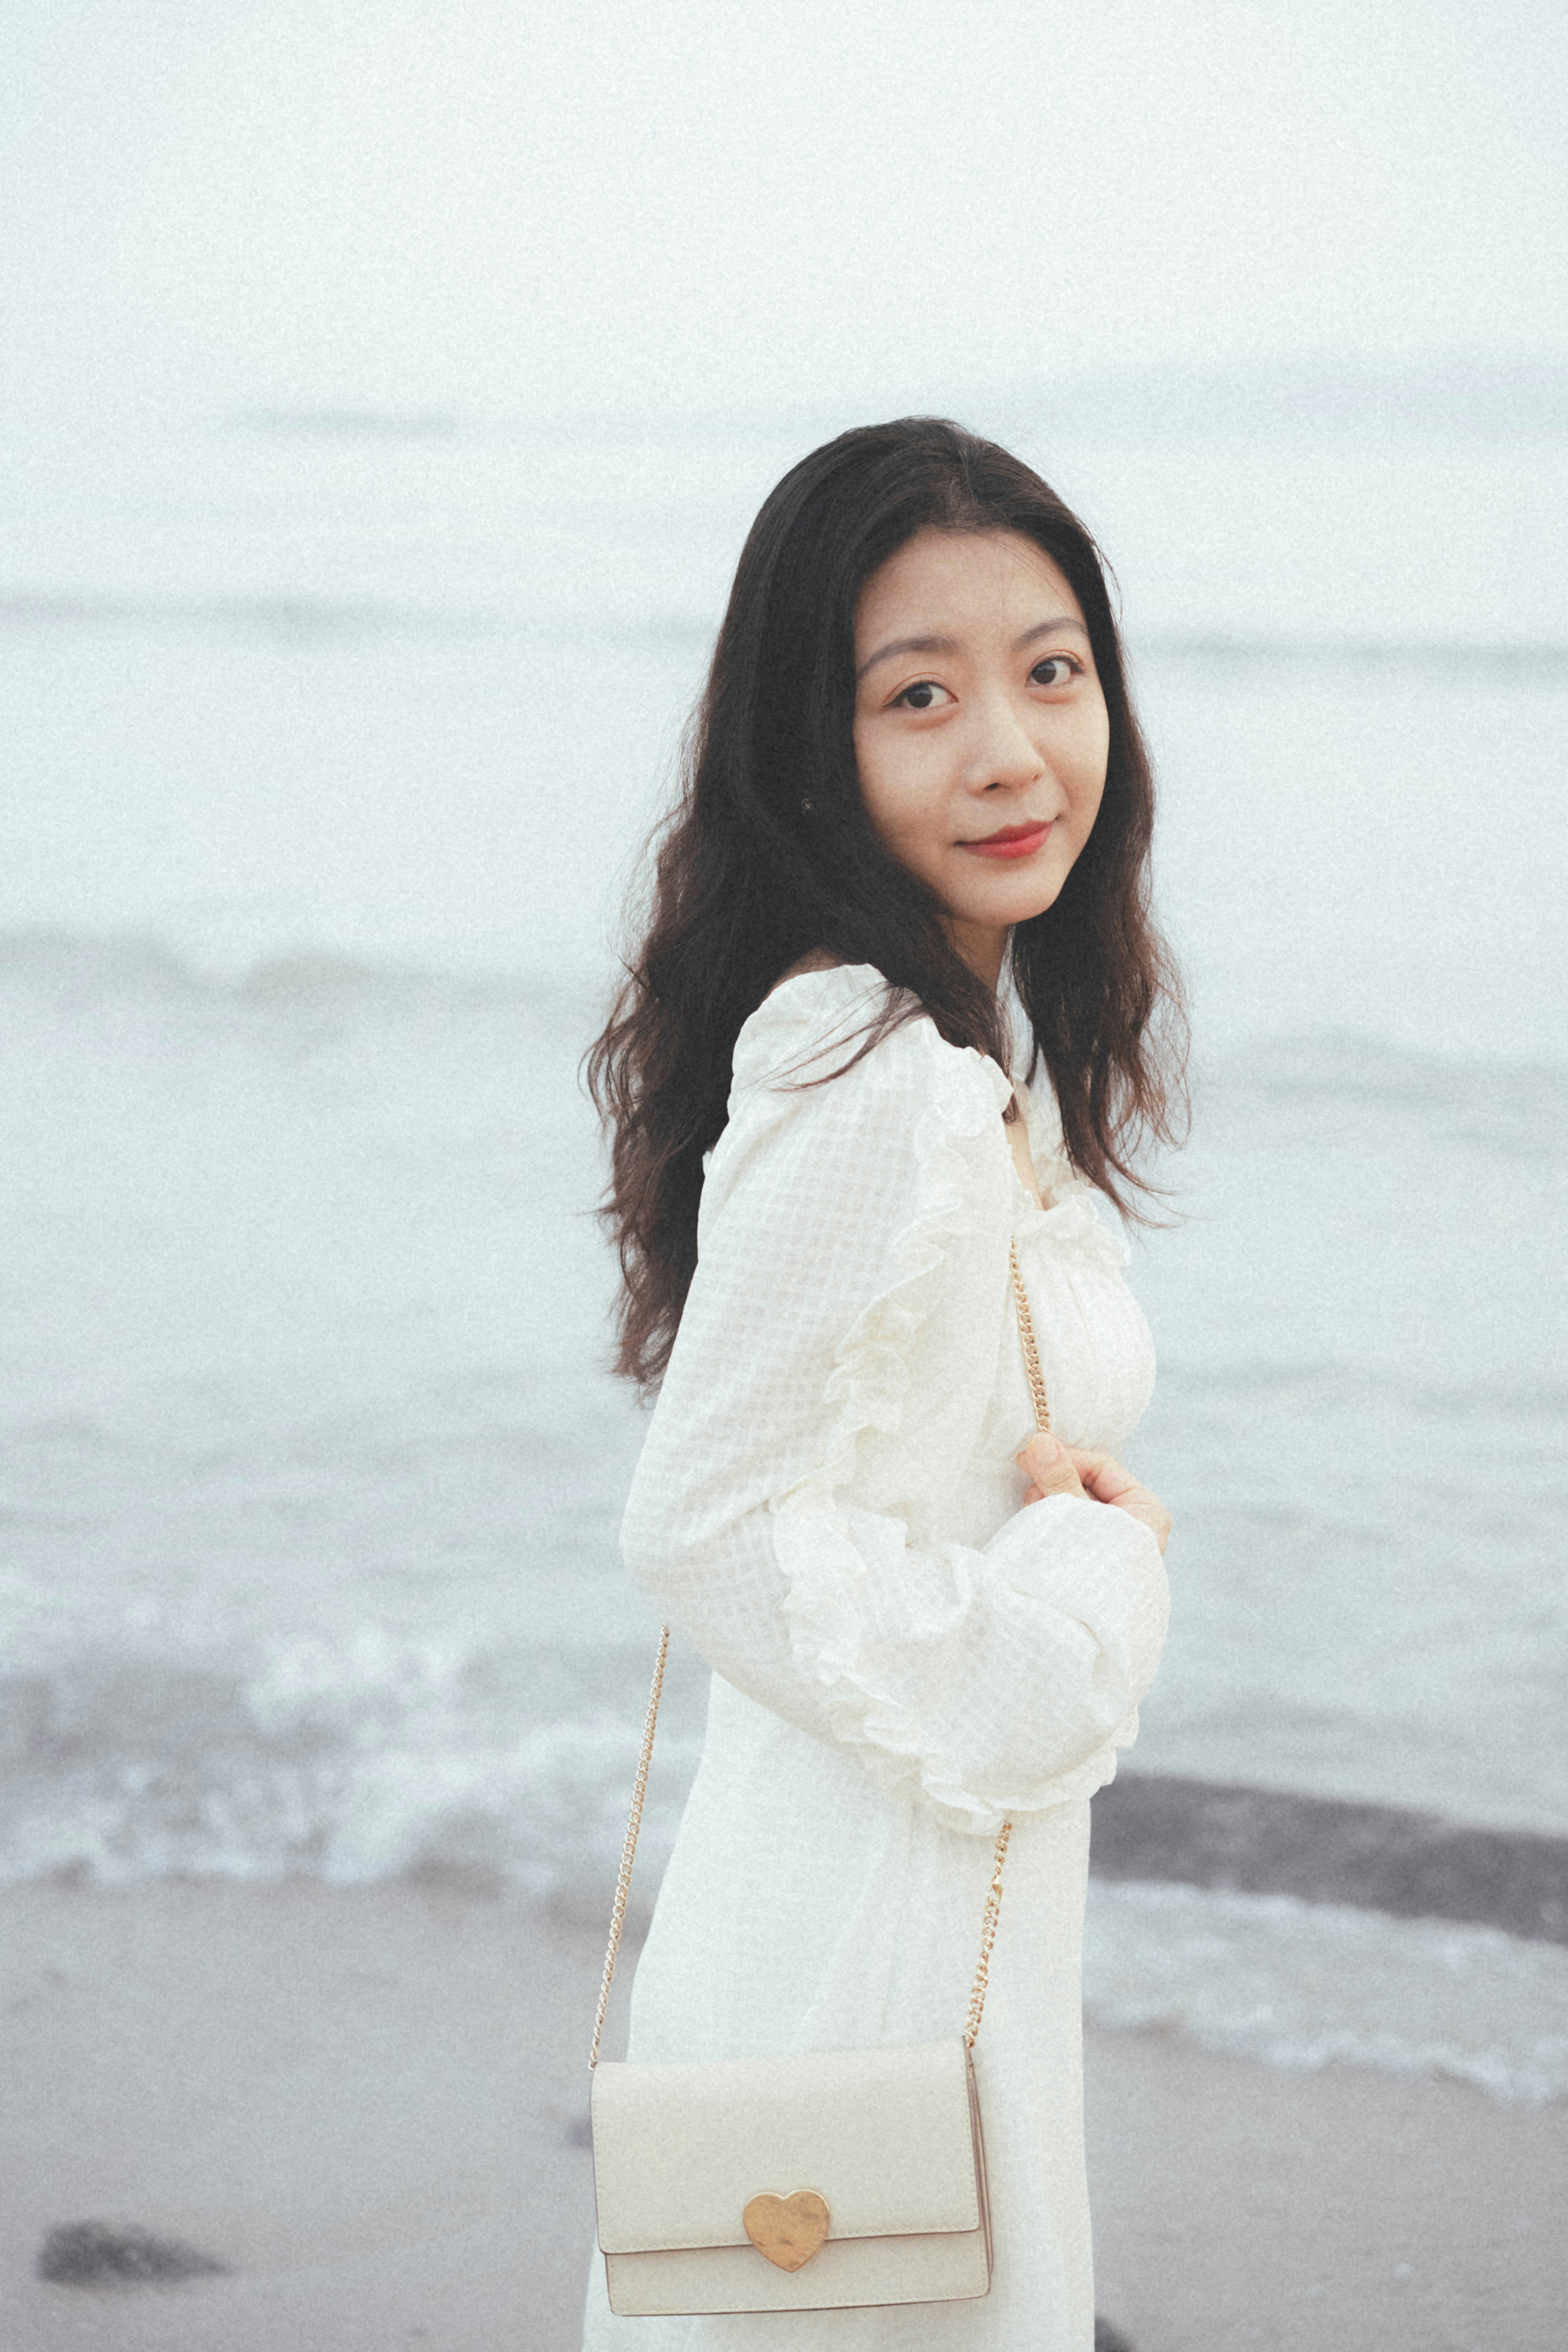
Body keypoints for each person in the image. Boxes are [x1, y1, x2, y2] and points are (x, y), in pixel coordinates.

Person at [583, 416, 1186, 2348]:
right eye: (918, 696)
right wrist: (1072, 1618)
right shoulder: (874, 1077)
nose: (1009, 752)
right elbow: (700, 1525)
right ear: (809, 749)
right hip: (868, 1929)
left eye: (1051, 672)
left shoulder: (958, 1052)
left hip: (917, 1882)